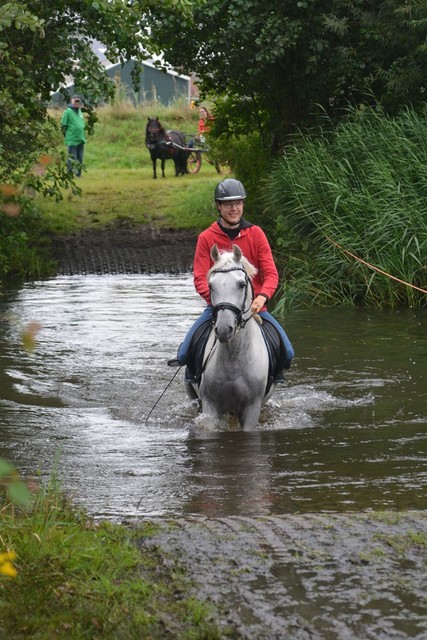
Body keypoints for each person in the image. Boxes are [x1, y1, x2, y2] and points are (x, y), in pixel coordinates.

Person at [168, 178, 294, 377]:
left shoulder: (256, 234)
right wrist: (219, 302)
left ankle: (271, 381)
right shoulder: (206, 237)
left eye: (238, 203)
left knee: (287, 353)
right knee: (184, 354)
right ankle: (194, 382)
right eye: (228, 204)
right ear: (219, 206)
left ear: (243, 204)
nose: (234, 208)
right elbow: (200, 278)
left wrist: (262, 297)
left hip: (255, 309)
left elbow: (271, 274)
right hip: (217, 308)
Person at [60, 95, 86, 177]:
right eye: (76, 101)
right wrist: (67, 135)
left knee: (80, 158)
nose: (77, 103)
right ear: (72, 101)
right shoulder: (67, 112)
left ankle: (78, 174)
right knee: (72, 158)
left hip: (80, 138)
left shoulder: (80, 111)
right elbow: (63, 125)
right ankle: (69, 174)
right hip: (72, 139)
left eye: (78, 101)